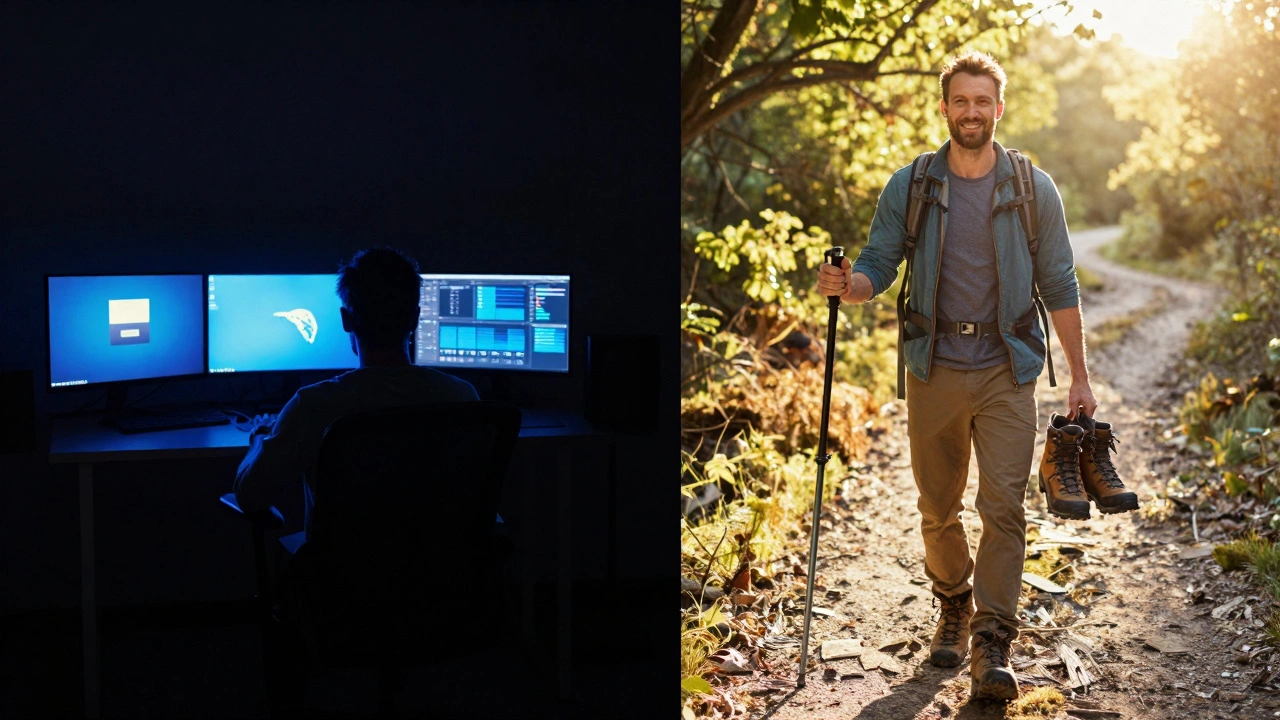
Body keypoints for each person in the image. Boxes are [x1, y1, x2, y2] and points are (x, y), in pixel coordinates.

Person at [815, 52, 1096, 701]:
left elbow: (1059, 281)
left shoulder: (1032, 187)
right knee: (937, 510)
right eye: (960, 101)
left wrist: (1080, 375)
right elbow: (878, 263)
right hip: (934, 366)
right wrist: (847, 286)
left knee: (1003, 507)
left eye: (983, 101)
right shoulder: (913, 185)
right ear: (944, 107)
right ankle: (953, 599)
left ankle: (992, 637)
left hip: (1007, 368)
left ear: (999, 108)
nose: (971, 111)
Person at [233, 247, 480, 534]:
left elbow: (250, 497)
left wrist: (261, 438)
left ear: (345, 319)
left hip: (342, 575)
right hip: (436, 572)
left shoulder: (312, 405)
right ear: (414, 319)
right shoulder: (461, 398)